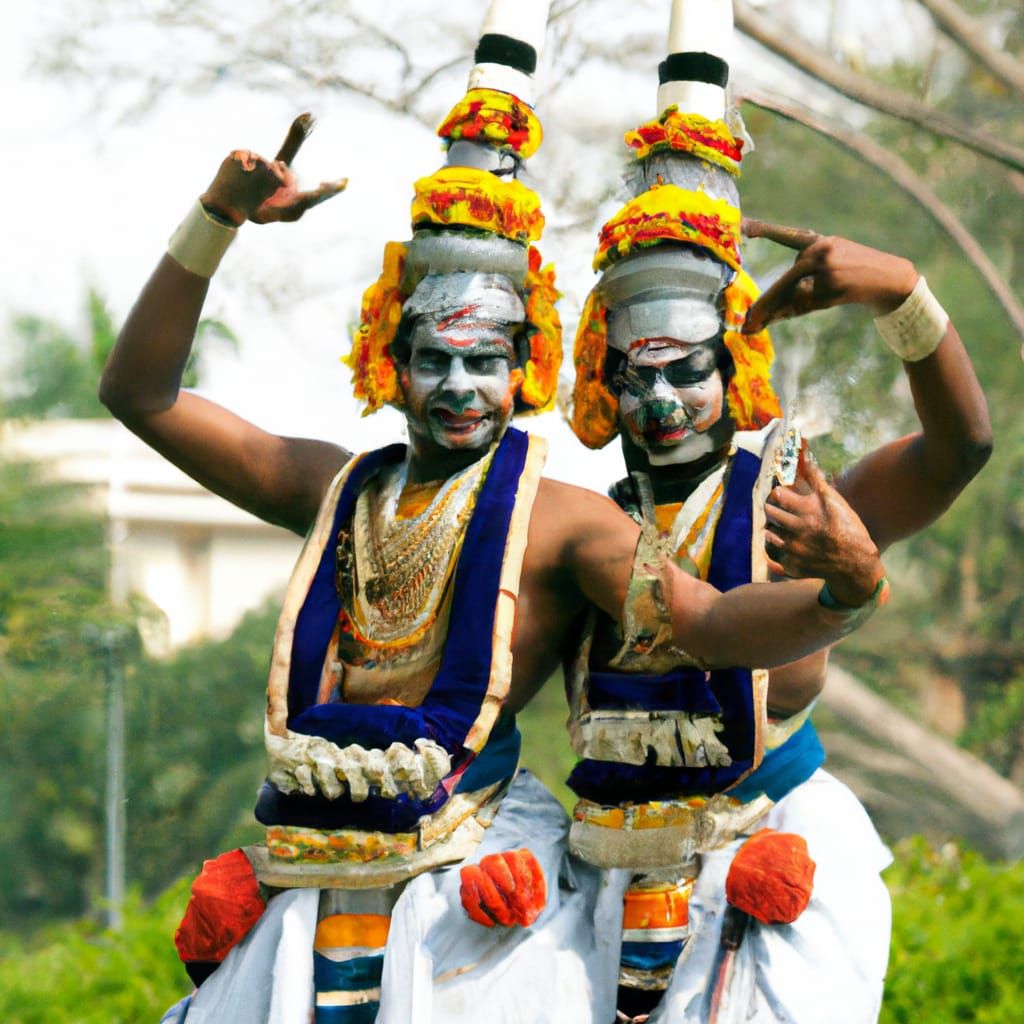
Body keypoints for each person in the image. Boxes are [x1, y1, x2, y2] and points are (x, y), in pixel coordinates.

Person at [101, 8, 890, 1022]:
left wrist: (844, 592)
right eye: (437, 356)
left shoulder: (565, 525)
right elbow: (142, 394)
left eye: (488, 360)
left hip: (474, 888)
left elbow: (703, 623)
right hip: (307, 875)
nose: (461, 384)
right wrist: (216, 217)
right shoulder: (334, 487)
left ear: (530, 367)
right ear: (390, 356)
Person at [565, 2, 992, 1021]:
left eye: (689, 370)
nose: (661, 401)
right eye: (637, 375)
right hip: (593, 903)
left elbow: (959, 450)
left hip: (768, 887)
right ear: (599, 378)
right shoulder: (573, 530)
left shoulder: (798, 499)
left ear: (737, 362)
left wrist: (900, 291)